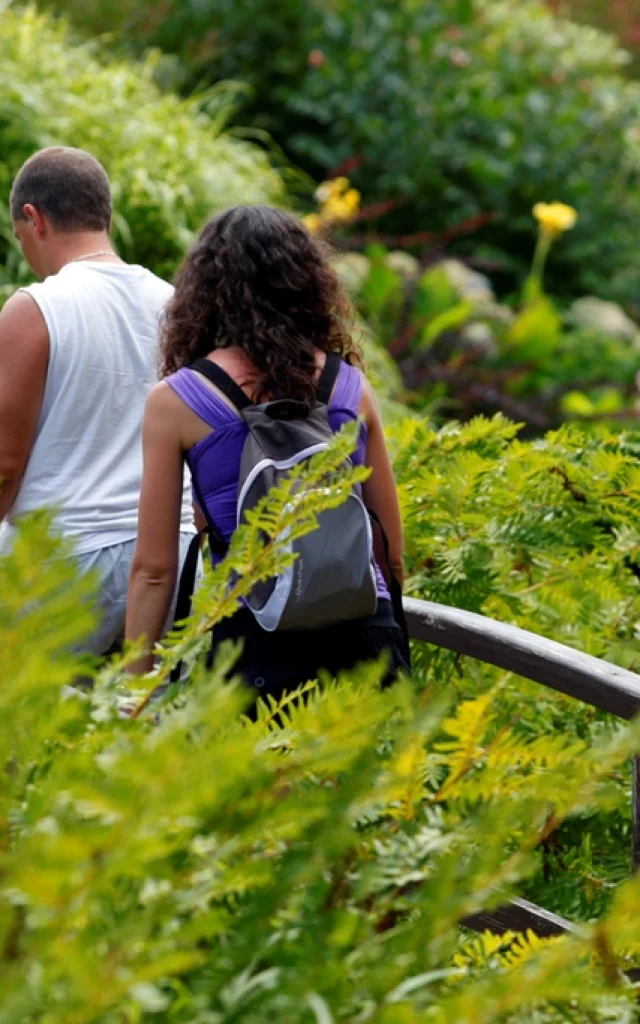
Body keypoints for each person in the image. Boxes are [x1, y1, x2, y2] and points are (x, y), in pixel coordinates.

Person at [125, 204, 408, 695]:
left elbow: (154, 570)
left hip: (252, 643)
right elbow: (389, 548)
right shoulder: (350, 386)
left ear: (206, 292)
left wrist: (130, 692)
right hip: (361, 636)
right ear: (307, 284)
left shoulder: (176, 402)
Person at [0, 146, 195, 657]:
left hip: (66, 569)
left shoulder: (35, 308)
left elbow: (4, 464)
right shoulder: (176, 306)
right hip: (173, 564)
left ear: (33, 220)